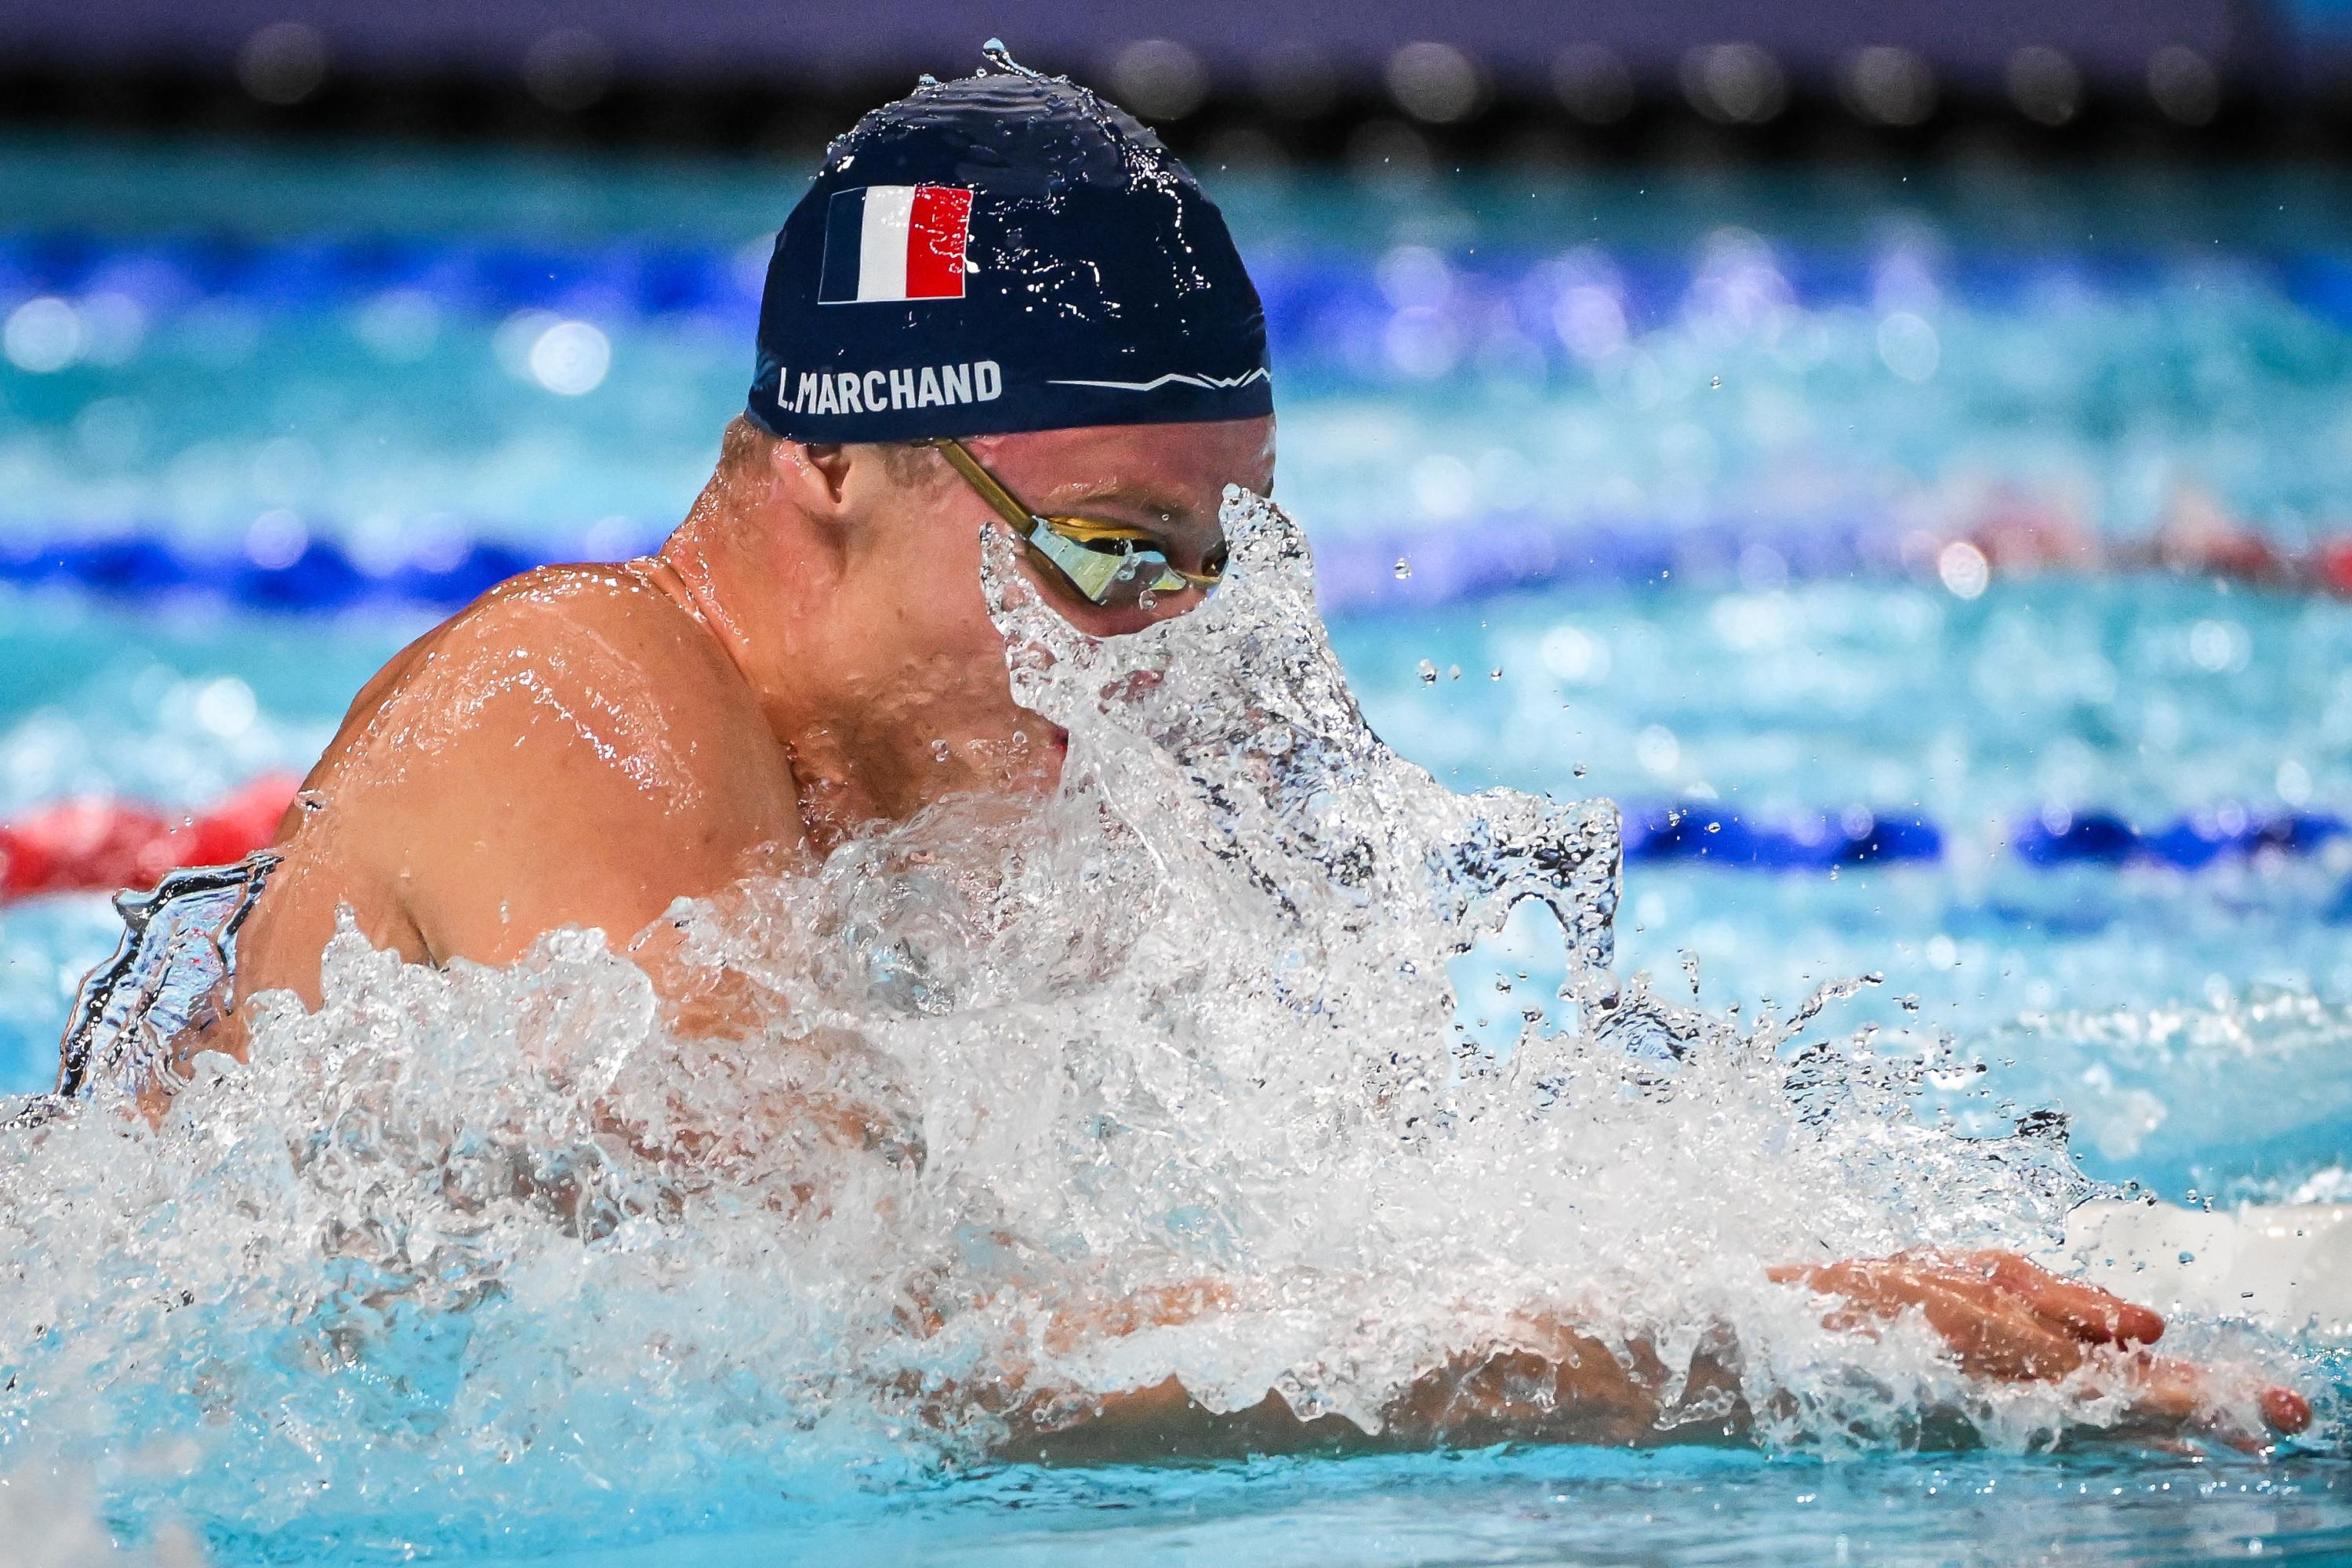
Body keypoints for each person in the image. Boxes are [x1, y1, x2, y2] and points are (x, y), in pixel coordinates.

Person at [92, 53, 2307, 1450]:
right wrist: (1684, 1348)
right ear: (832, 478)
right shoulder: (581, 703)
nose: (1160, 656)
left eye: (1214, 563)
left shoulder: (926, 801)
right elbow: (872, 1362)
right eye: (1105, 555)